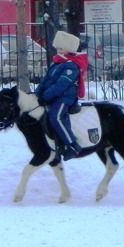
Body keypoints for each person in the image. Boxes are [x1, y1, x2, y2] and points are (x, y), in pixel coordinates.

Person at [36, 30, 88, 160]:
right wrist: (37, 93)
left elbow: (61, 86)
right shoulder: (57, 63)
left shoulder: (71, 66)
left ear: (69, 49)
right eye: (57, 48)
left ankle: (72, 145)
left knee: (56, 116)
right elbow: (46, 80)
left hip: (65, 98)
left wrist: (46, 96)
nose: (58, 51)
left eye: (61, 48)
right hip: (54, 96)